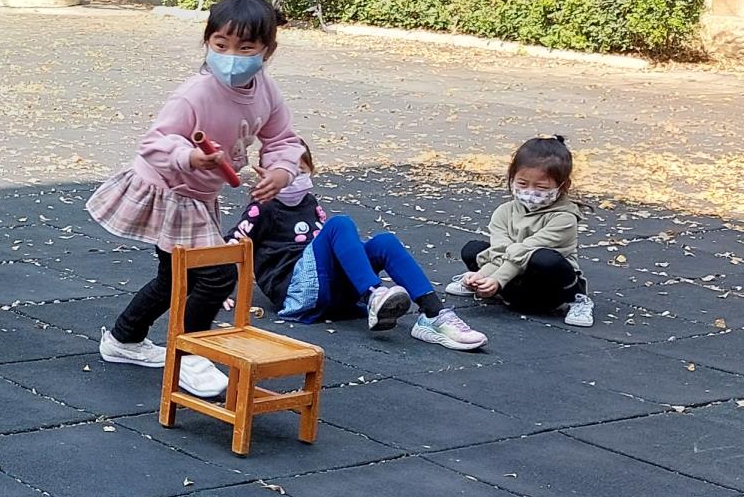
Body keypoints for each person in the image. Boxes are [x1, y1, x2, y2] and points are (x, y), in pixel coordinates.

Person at [88, 0, 305, 398]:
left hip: (197, 194)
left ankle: (124, 338)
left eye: (246, 48)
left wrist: (281, 171)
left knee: (175, 278)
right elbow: (154, 143)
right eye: (221, 45)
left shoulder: (266, 91)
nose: (231, 57)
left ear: (268, 50)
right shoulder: (196, 93)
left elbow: (281, 139)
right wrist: (189, 156)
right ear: (207, 42)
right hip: (169, 189)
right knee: (217, 274)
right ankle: (189, 355)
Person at [232, 144, 486, 350]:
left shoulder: (309, 203)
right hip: (297, 292)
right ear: (264, 175)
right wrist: (218, 287)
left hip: (331, 290)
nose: (293, 179)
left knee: (384, 242)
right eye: (286, 172)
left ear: (311, 171)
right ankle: (372, 294)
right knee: (339, 224)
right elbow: (233, 242)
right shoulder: (262, 206)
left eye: (301, 171)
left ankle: (434, 315)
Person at [457, 133, 593, 326]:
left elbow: (524, 252)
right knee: (473, 249)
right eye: (522, 183)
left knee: (543, 258)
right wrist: (482, 276)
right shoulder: (504, 211)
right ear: (512, 178)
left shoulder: (564, 219)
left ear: (563, 186)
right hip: (518, 278)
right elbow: (500, 250)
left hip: (549, 286)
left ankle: (577, 299)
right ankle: (488, 288)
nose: (530, 192)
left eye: (541, 187)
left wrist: (497, 279)